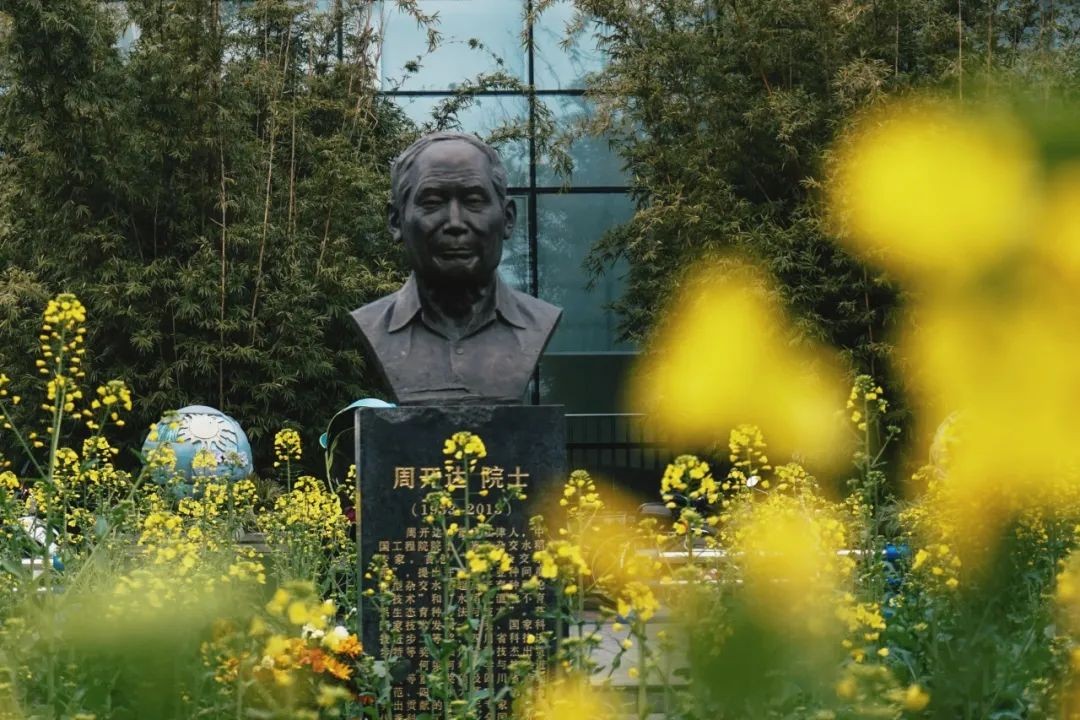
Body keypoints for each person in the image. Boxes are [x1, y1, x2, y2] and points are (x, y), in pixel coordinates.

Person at [351, 132, 561, 405]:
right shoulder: (373, 325)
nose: (455, 223)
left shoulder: (539, 322)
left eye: (473, 201)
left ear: (507, 218)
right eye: (432, 202)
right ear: (396, 221)